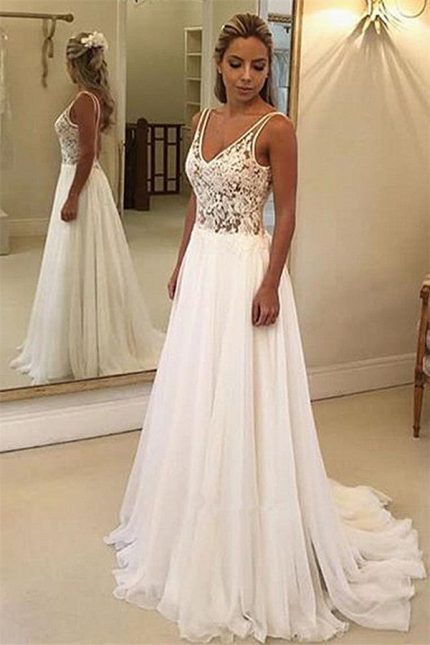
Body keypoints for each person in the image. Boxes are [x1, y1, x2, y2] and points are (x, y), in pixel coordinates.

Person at [103, 14, 426, 643]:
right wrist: (179, 262)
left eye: (258, 65)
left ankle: (247, 514)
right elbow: (196, 202)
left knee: (241, 394)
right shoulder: (202, 120)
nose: (247, 75)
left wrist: (272, 282)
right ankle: (193, 507)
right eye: (237, 64)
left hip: (245, 270)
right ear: (219, 65)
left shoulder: (277, 128)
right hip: (204, 268)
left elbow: (289, 213)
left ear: (267, 68)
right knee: (197, 389)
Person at [10, 31, 164, 385]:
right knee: (76, 263)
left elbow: (88, 152)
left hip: (80, 182)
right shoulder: (91, 98)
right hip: (82, 181)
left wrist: (72, 196)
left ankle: (86, 343)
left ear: (71, 63)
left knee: (77, 261)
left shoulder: (84, 99)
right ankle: (74, 337)